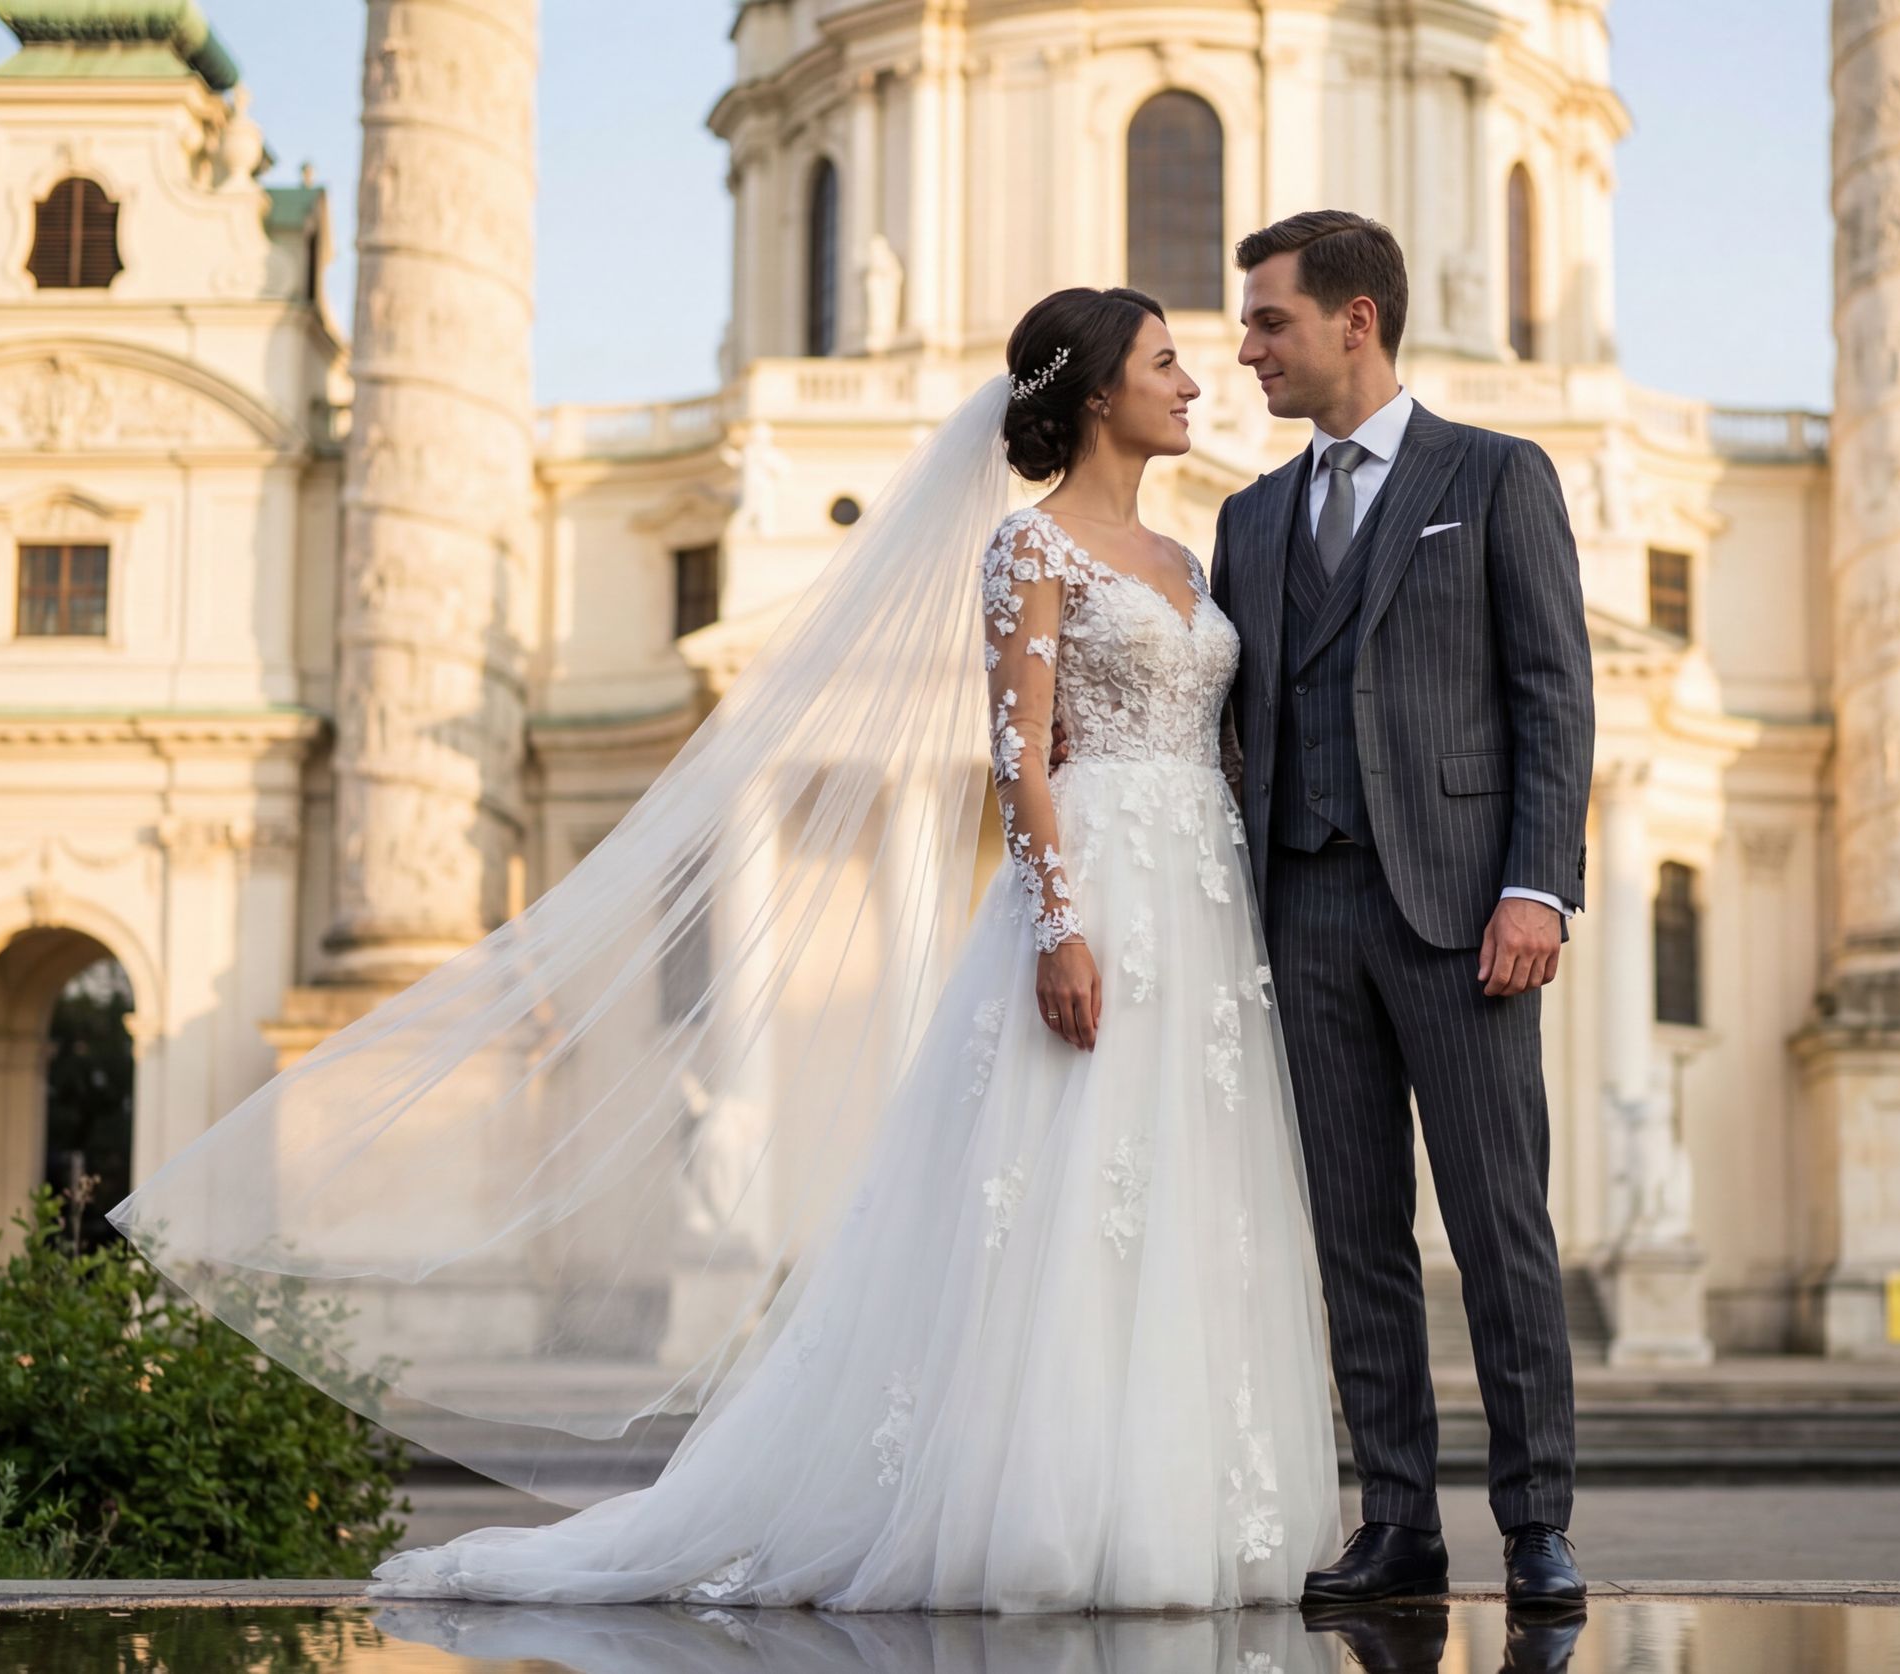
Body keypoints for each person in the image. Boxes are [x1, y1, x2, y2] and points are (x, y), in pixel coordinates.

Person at [125, 287, 1339, 1613]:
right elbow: (1020, 754)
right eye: (1168, 359)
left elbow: (1225, 733)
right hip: (1099, 872)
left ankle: (1166, 1504)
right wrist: (1058, 924)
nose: (1197, 378)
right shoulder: (1028, 547)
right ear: (1101, 390)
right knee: (1066, 1190)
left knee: (1174, 1189)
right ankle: (1046, 1517)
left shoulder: (1190, 558)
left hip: (1199, 894)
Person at [1209, 211, 1597, 1609]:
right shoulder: (1246, 518)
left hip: (1464, 914)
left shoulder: (1495, 476)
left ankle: (1537, 1516)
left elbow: (1553, 692)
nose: (1246, 348)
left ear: (1356, 317)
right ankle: (1399, 1519)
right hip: (1302, 910)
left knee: (1501, 1223)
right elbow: (1231, 723)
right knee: (1354, 1231)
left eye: (1270, 320)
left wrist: (1536, 884)